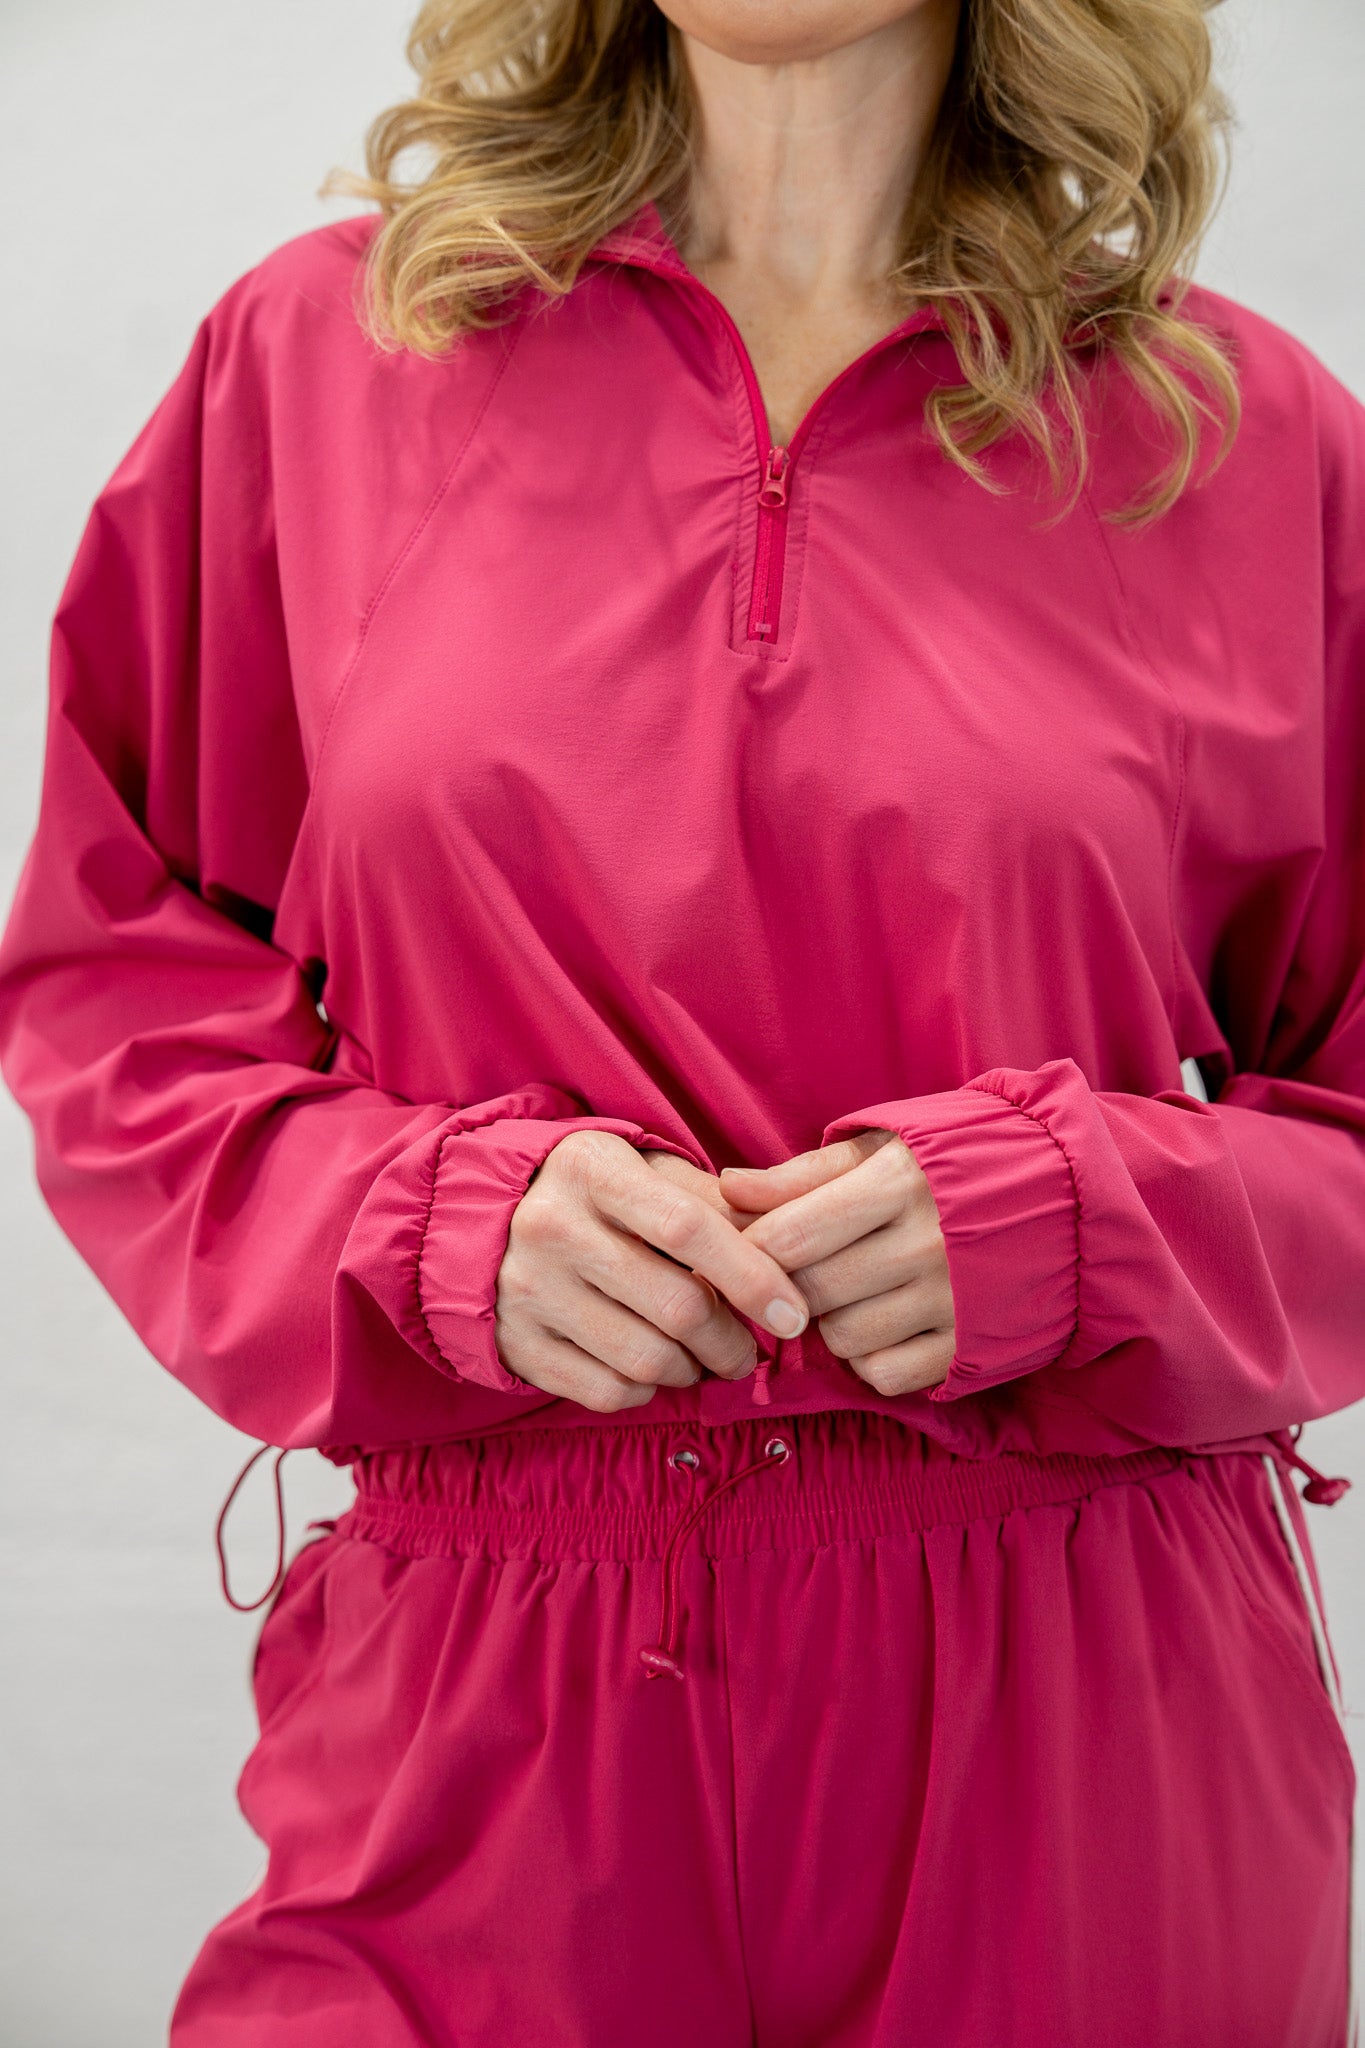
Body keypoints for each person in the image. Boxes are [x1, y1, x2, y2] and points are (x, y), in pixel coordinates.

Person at [0, 0, 1360, 2039]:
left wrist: (1085, 1224)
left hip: (1086, 1719)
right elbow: (123, 985)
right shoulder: (325, 361)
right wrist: (416, 1224)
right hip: (491, 1691)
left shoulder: (1239, 439)